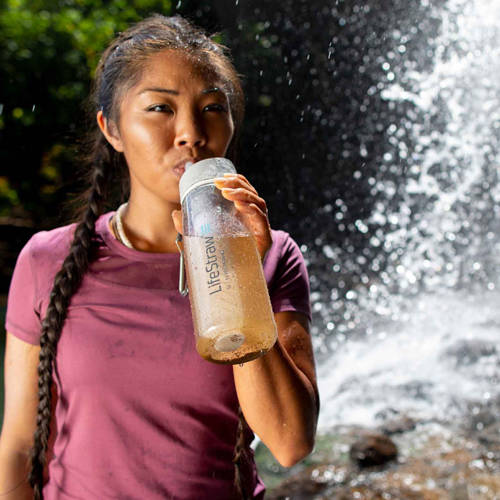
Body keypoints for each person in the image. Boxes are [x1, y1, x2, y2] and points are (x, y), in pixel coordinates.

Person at [0, 14, 319, 500]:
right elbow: (21, 447)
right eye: (159, 108)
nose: (191, 132)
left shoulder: (274, 256)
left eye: (213, 107)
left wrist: (239, 273)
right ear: (112, 128)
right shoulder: (48, 260)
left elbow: (290, 442)